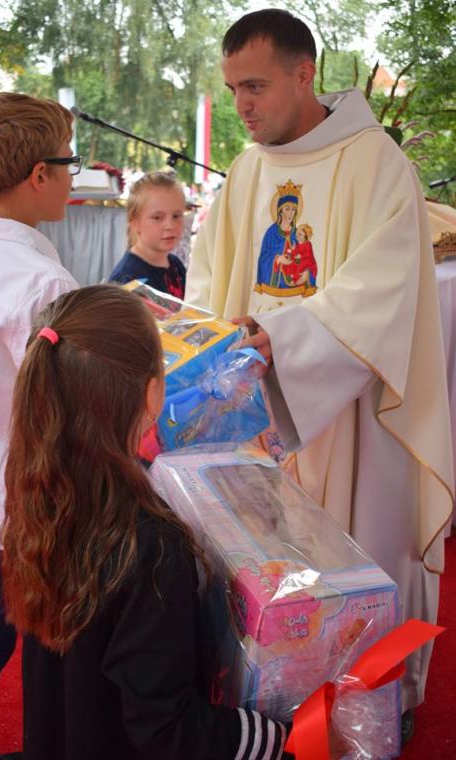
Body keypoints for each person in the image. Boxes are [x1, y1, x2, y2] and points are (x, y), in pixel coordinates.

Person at [186, 7, 454, 731]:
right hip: (260, 403)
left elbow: (384, 288)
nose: (242, 106)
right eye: (233, 89)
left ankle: (371, 709)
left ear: (304, 74)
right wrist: (214, 340)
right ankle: (276, 706)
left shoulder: (375, 163)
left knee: (360, 548)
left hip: (355, 415)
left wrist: (285, 336)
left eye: (255, 87)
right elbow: (209, 277)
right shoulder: (248, 170)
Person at [0, 284, 292, 760]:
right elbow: (165, 726)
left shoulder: (45, 490)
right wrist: (278, 736)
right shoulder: (149, 544)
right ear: (154, 392)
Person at [0, 92, 80, 760]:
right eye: (69, 162)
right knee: (55, 641)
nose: (74, 175)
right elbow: (70, 402)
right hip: (33, 501)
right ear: (39, 175)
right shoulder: (42, 283)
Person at [109, 171, 186, 298]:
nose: (170, 226)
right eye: (157, 217)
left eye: (176, 216)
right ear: (135, 221)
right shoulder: (127, 281)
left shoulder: (175, 265)